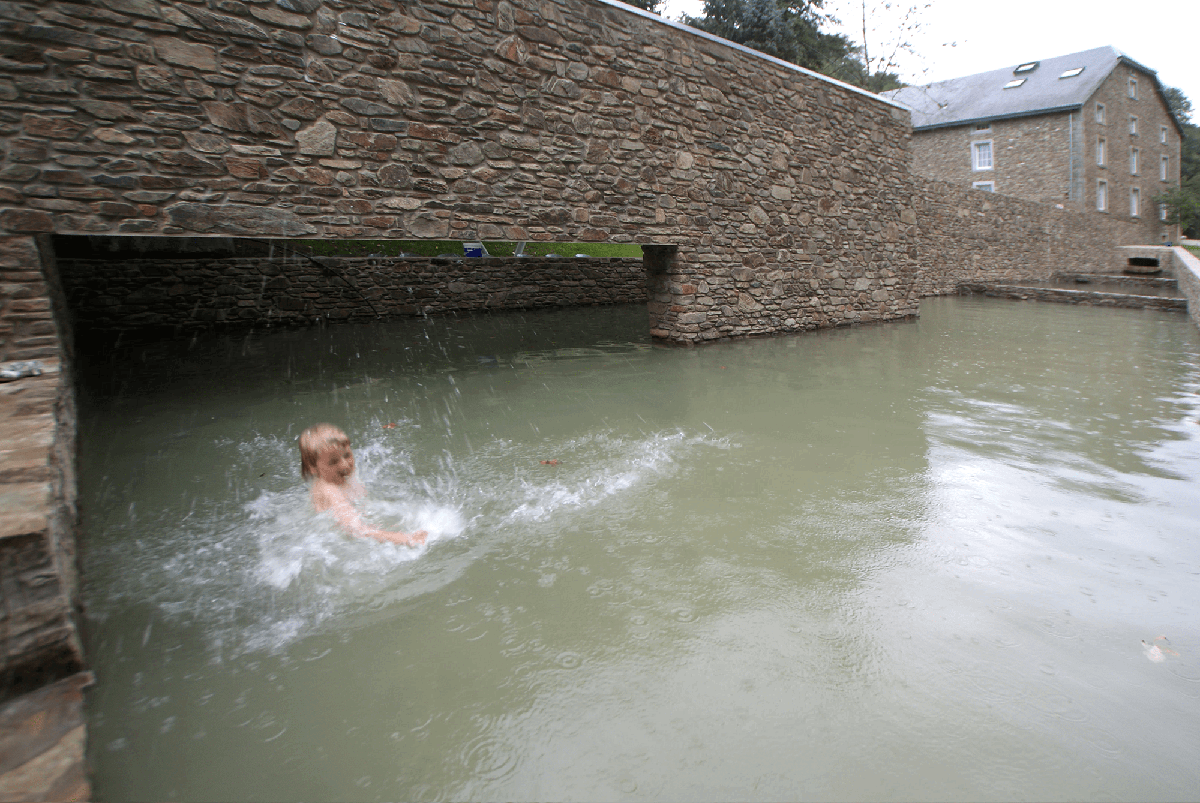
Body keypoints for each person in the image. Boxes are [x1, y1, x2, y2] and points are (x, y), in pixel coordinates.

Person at [299, 423, 427, 547]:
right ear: (313, 468)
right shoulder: (330, 491)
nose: (344, 465)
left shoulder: (339, 478)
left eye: (347, 455)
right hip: (341, 544)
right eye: (333, 462)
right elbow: (357, 531)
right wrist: (406, 539)